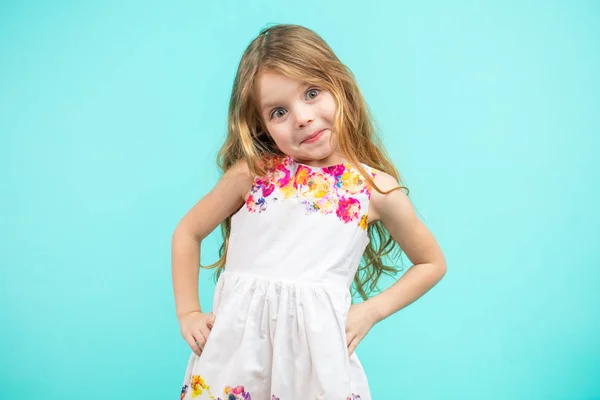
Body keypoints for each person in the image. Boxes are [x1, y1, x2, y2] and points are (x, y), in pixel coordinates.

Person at [172, 23, 447, 400]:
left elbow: (431, 262)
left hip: (316, 366)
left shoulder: (374, 189)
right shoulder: (253, 174)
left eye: (312, 93)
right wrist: (188, 312)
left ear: (340, 87)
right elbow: (188, 232)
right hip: (232, 358)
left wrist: (370, 312)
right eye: (279, 111)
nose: (301, 117)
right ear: (262, 126)